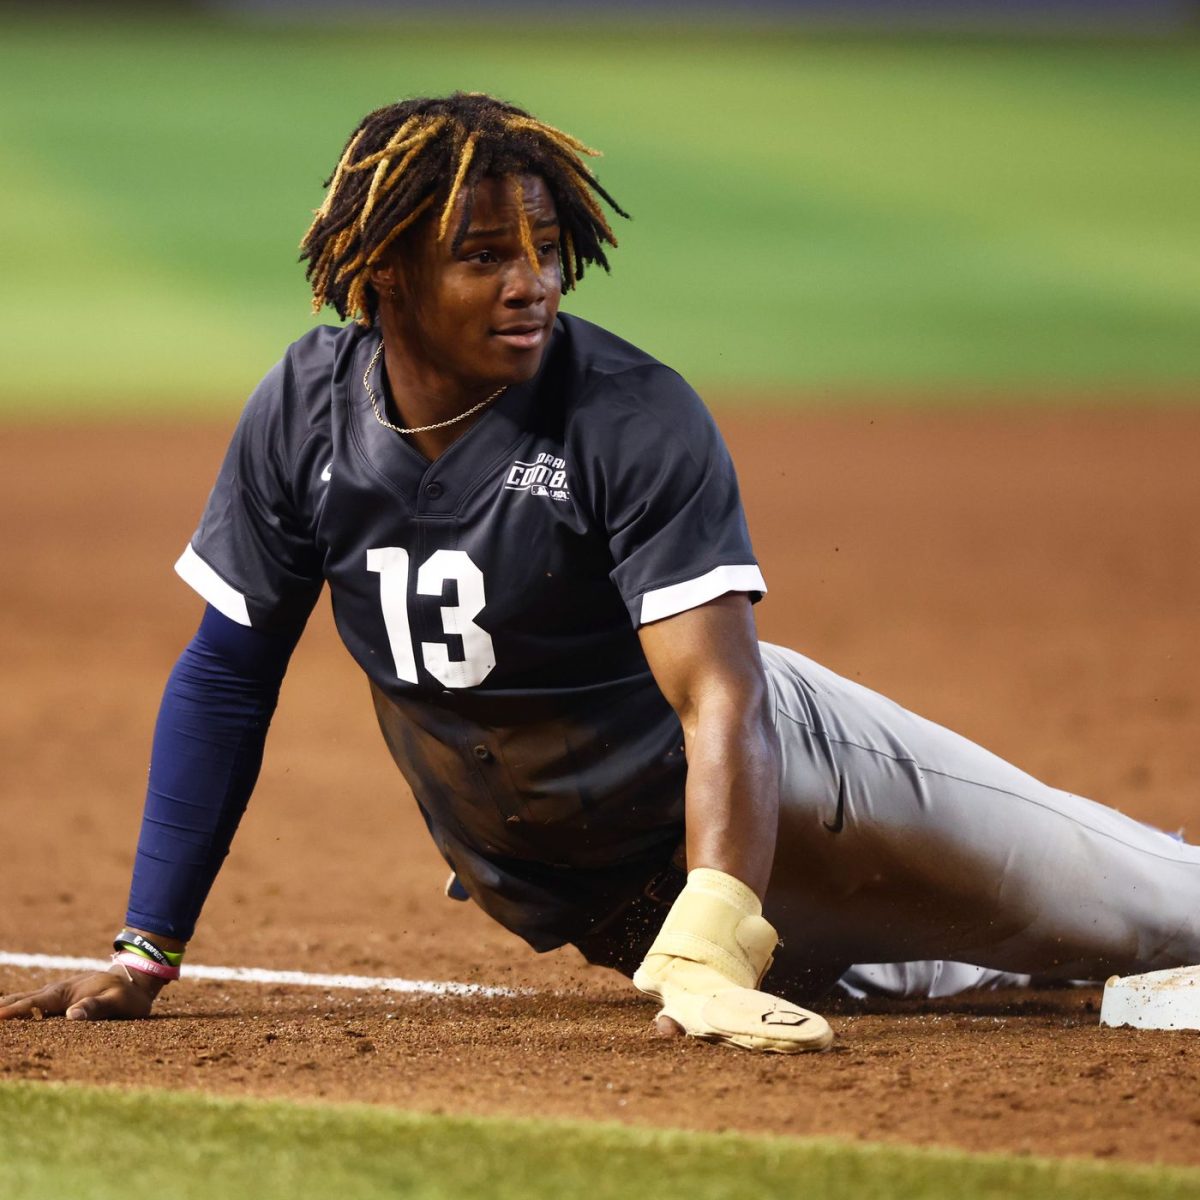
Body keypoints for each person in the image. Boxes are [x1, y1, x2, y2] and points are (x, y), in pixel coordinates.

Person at [2, 93, 1197, 1053]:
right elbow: (227, 677)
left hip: (803, 782)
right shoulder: (304, 416)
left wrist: (716, 926)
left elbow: (723, 695)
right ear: (382, 278)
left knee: (1139, 909)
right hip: (608, 899)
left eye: (546, 249)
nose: (533, 281)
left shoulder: (627, 413)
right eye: (484, 255)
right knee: (975, 982)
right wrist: (144, 950)